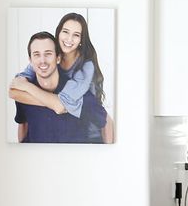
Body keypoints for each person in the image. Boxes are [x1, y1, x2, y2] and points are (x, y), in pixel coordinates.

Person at [10, 11, 115, 143]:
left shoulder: (86, 66)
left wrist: (26, 87)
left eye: (76, 35)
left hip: (89, 128)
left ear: (81, 40)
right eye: (65, 32)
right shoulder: (48, 56)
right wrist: (49, 102)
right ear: (58, 32)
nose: (69, 39)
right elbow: (14, 89)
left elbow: (61, 105)